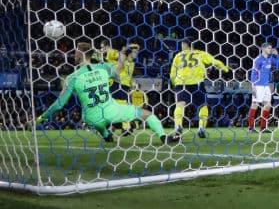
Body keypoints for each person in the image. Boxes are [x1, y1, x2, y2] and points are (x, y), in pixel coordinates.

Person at [37, 41, 178, 144]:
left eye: (76, 51)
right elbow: (116, 75)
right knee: (148, 115)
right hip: (111, 111)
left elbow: (59, 104)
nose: (74, 53)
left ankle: (106, 135)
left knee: (98, 123)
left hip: (90, 117)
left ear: (79, 54)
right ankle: (164, 137)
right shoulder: (104, 67)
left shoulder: (72, 77)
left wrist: (43, 117)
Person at [169, 40, 231, 138]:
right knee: (203, 106)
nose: (181, 46)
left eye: (182, 44)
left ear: (186, 45)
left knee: (180, 105)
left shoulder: (178, 56)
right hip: (197, 83)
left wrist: (174, 83)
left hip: (181, 83)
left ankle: (178, 126)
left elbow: (172, 72)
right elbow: (215, 62)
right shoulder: (200, 54)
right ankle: (201, 128)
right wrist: (226, 69)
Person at [248, 43, 279, 133]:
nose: (270, 49)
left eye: (271, 48)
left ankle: (263, 127)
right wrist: (254, 86)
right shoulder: (258, 60)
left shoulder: (270, 59)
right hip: (258, 85)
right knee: (255, 104)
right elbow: (253, 73)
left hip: (266, 85)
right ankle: (251, 128)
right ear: (263, 48)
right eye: (269, 48)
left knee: (268, 105)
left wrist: (277, 55)